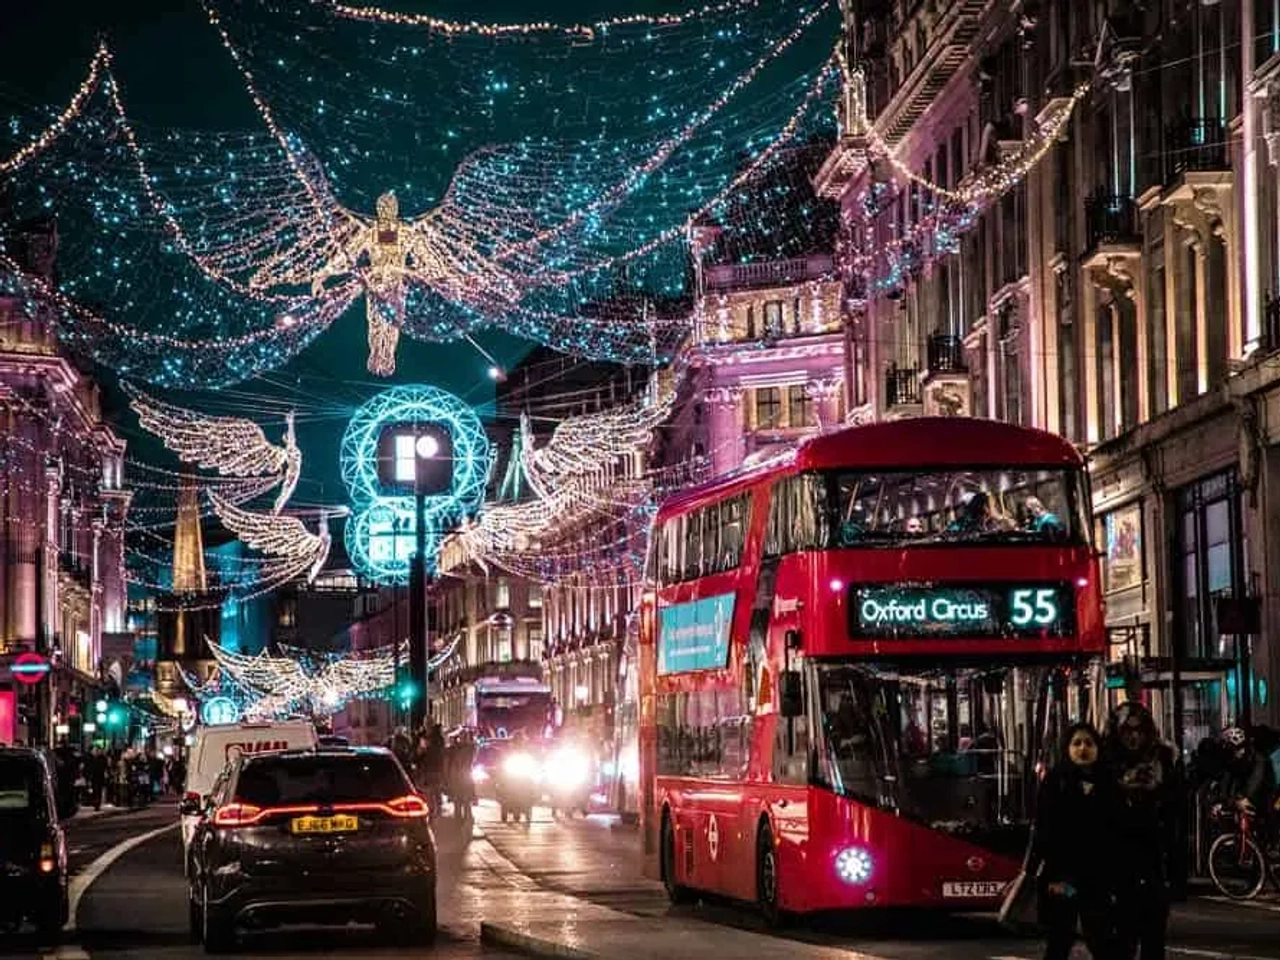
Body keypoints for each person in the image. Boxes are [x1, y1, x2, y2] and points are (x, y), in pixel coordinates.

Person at [1026, 722, 1118, 960]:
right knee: (1060, 937)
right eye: (1076, 743)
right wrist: (1040, 871)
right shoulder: (1056, 781)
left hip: (1098, 876)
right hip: (1063, 877)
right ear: (1066, 748)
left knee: (1101, 937)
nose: (1083, 749)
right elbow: (1044, 831)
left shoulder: (1108, 781)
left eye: (1089, 743)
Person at [1104, 702, 1178, 960]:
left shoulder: (1162, 762)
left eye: (1139, 731)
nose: (1133, 737)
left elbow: (1174, 816)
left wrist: (1176, 874)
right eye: (1127, 731)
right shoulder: (1107, 765)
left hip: (1153, 862)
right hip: (1116, 865)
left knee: (1153, 940)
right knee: (1121, 941)